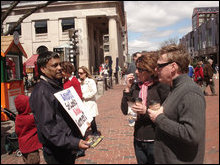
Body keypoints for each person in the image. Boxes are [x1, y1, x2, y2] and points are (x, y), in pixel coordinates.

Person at [148, 44, 206, 164]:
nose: (156, 70)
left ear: (173, 67)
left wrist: (159, 118)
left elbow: (192, 135)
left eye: (159, 66)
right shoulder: (175, 88)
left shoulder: (190, 92)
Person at [29, 51, 89, 164]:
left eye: (60, 64)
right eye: (54, 65)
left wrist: (82, 123)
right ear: (43, 69)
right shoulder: (42, 91)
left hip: (66, 147)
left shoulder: (56, 85)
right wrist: (74, 142)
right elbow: (49, 128)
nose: (60, 68)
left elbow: (63, 115)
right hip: (57, 152)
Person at [121, 52, 170, 164]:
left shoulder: (161, 87)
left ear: (150, 71)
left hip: (156, 140)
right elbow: (125, 110)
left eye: (140, 69)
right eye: (136, 68)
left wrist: (146, 111)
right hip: (138, 138)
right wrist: (127, 89)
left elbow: (168, 113)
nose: (136, 72)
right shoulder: (136, 87)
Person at [14, 94, 42, 164]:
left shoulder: (18, 118)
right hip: (31, 148)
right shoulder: (30, 119)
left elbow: (17, 131)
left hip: (23, 147)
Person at [78, 66, 100, 137]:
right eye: (78, 73)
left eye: (81, 73)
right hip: (83, 103)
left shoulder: (90, 81)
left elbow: (94, 91)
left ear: (85, 73)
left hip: (90, 102)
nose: (79, 74)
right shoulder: (79, 82)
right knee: (85, 119)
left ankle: (95, 132)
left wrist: (84, 96)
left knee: (92, 119)